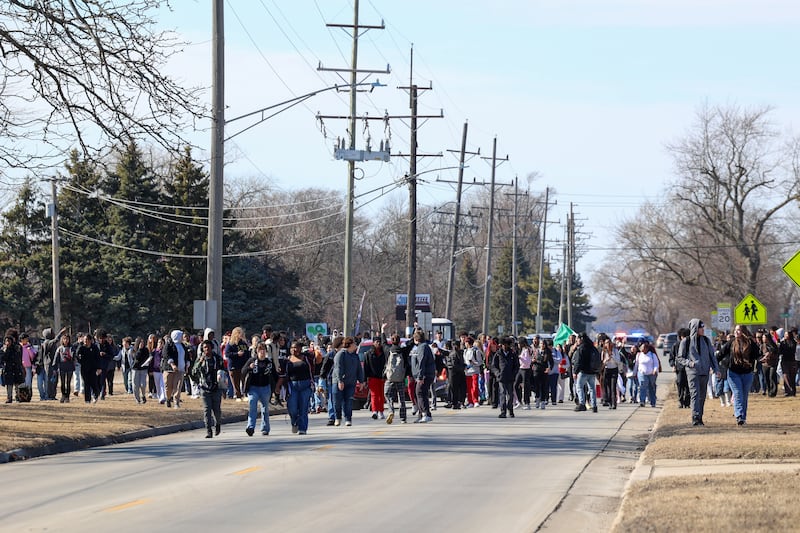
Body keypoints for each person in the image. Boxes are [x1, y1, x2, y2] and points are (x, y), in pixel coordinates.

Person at [676, 319, 720, 426]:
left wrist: (716, 369)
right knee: (695, 394)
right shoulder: (686, 341)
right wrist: (689, 363)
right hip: (692, 372)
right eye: (701, 328)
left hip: (705, 372)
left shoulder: (706, 340)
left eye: (703, 327)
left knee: (702, 395)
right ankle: (695, 417)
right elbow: (680, 358)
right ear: (695, 328)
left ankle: (700, 417)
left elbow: (712, 356)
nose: (702, 330)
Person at [723, 325, 759, 425]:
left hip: (747, 373)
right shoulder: (731, 342)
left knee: (744, 395)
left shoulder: (750, 343)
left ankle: (743, 417)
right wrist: (713, 365)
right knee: (738, 393)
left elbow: (758, 354)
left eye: (738, 330)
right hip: (733, 373)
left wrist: (763, 358)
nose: (736, 332)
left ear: (743, 331)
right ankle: (739, 416)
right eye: (735, 330)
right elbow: (721, 354)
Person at [190, 339, 224, 438]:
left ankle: (217, 424)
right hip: (204, 388)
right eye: (204, 347)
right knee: (207, 410)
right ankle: (208, 431)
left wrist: (222, 384)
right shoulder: (200, 359)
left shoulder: (217, 358)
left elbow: (223, 371)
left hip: (216, 388)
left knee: (216, 410)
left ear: (211, 348)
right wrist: (200, 363)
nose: (207, 349)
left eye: (208, 347)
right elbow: (193, 372)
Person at [242, 342, 274, 436]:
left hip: (265, 387)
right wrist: (249, 367)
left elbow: (273, 376)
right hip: (253, 388)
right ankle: (250, 427)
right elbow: (243, 371)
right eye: (260, 350)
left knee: (265, 409)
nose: (262, 352)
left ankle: (265, 428)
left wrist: (275, 389)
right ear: (257, 351)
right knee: (252, 407)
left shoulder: (269, 362)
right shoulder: (252, 361)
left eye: (263, 350)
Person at [332, 336, 363, 426]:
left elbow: (359, 369)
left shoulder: (355, 356)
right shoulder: (341, 354)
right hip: (338, 382)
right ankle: (337, 417)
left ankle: (348, 419)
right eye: (354, 343)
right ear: (349, 345)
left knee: (348, 401)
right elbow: (338, 368)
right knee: (337, 401)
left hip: (351, 382)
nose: (355, 345)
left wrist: (361, 381)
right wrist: (340, 380)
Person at [285, 341, 314, 435]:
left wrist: (313, 383)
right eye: (292, 348)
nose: (294, 349)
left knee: (303, 408)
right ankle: (294, 422)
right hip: (292, 386)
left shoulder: (306, 358)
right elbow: (285, 375)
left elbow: (312, 370)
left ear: (300, 349)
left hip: (305, 385)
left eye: (296, 347)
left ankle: (302, 428)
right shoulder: (287, 360)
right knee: (292, 408)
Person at [410, 330, 436, 423]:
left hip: (425, 375)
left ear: (416, 339)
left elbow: (421, 362)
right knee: (420, 393)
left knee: (420, 393)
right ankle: (421, 414)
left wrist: (420, 376)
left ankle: (426, 413)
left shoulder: (422, 347)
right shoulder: (422, 347)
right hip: (425, 374)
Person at [491, 337, 520, 418]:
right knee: (502, 394)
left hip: (510, 377)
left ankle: (510, 410)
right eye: (503, 344)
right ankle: (503, 411)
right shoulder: (498, 354)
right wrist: (498, 373)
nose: (504, 346)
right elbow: (493, 366)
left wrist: (514, 374)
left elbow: (516, 366)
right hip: (501, 378)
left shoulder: (513, 354)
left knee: (510, 395)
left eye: (506, 344)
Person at [572, 333, 600, 413]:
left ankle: (582, 403)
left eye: (578, 339)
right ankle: (594, 406)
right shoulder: (592, 347)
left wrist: (575, 372)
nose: (577, 340)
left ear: (581, 339)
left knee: (579, 387)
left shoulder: (581, 348)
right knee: (592, 389)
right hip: (592, 371)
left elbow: (578, 361)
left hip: (583, 371)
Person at [383, 334, 407, 424]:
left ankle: (391, 411)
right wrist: (415, 330)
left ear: (391, 341)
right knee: (401, 398)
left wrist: (382, 332)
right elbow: (411, 343)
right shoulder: (403, 351)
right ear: (399, 341)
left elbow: (383, 343)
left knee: (387, 394)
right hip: (400, 378)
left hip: (390, 378)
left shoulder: (388, 350)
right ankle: (403, 418)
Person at [162, 330, 187, 408]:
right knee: (168, 387)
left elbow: (186, 357)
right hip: (169, 369)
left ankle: (176, 402)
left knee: (178, 386)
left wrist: (187, 365)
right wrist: (172, 364)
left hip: (180, 370)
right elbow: (166, 355)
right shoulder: (169, 344)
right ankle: (168, 399)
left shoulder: (183, 346)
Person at [364, 335, 387, 419]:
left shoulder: (383, 353)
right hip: (372, 377)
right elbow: (366, 367)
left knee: (381, 395)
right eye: (376, 342)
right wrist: (364, 379)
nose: (378, 343)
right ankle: (374, 411)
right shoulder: (369, 353)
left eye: (379, 342)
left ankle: (381, 411)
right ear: (373, 343)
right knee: (374, 395)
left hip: (381, 377)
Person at [224, 326, 249, 401]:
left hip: (242, 365)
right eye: (239, 333)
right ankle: (238, 395)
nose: (241, 335)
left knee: (244, 380)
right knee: (235, 382)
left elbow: (247, 353)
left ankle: (244, 394)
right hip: (233, 366)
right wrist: (236, 354)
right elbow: (227, 354)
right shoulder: (230, 344)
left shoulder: (243, 343)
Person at [76, 333, 102, 403]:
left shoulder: (94, 347)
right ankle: (87, 399)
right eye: (84, 340)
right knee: (86, 383)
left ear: (90, 340)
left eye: (87, 339)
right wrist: (80, 344)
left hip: (93, 368)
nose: (85, 341)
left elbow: (98, 358)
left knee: (93, 383)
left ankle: (95, 395)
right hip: (84, 368)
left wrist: (99, 368)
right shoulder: (82, 347)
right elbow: (77, 354)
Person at [668, 328, 691, 409]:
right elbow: (671, 357)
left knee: (689, 386)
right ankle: (681, 402)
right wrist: (673, 365)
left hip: (689, 368)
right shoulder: (676, 345)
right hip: (680, 368)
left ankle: (687, 402)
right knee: (680, 384)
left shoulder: (691, 345)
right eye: (682, 336)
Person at [1, 331, 24, 403]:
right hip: (8, 368)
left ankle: (18, 397)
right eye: (6, 340)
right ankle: (9, 397)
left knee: (17, 383)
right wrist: (6, 349)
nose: (8, 342)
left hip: (16, 367)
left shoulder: (17, 347)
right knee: (9, 384)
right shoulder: (3, 349)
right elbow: (2, 359)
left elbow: (19, 357)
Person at [636, 342, 659, 408]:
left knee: (651, 388)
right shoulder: (639, 355)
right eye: (641, 348)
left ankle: (653, 402)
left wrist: (655, 370)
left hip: (651, 374)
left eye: (643, 348)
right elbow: (637, 365)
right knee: (642, 387)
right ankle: (642, 401)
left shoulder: (652, 355)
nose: (642, 349)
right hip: (642, 373)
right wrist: (635, 373)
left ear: (647, 348)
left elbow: (656, 364)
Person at [601, 338, 621, 409]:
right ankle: (609, 402)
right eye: (606, 343)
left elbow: (618, 361)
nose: (608, 344)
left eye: (609, 343)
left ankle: (614, 403)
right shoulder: (604, 352)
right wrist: (606, 360)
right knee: (608, 387)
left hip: (614, 370)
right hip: (607, 370)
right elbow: (602, 363)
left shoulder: (615, 351)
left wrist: (612, 357)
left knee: (613, 387)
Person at [463, 336, 483, 408]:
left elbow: (480, 362)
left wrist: (474, 362)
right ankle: (470, 401)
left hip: (474, 371)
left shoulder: (476, 351)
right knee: (469, 387)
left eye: (466, 342)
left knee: (474, 386)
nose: (465, 344)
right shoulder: (465, 351)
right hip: (467, 371)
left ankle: (475, 401)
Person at [55, 333, 75, 402]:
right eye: (64, 339)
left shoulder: (72, 347)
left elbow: (74, 357)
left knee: (68, 382)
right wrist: (55, 367)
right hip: (62, 367)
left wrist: (70, 356)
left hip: (70, 366)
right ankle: (63, 395)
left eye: (67, 339)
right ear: (62, 340)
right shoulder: (60, 348)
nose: (66, 340)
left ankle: (67, 397)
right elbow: (56, 359)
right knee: (62, 382)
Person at [758, 331, 779, 397]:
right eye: (763, 337)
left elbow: (777, 353)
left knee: (772, 376)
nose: (764, 339)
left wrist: (770, 355)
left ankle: (774, 391)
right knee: (766, 378)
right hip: (765, 364)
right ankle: (769, 391)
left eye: (765, 337)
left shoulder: (773, 345)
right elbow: (759, 355)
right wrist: (762, 359)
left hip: (773, 363)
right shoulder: (762, 346)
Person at [514, 337, 533, 410]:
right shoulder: (522, 350)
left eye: (519, 343)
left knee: (526, 387)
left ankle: (527, 403)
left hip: (526, 369)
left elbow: (527, 361)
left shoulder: (527, 350)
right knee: (516, 384)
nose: (518, 345)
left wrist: (520, 357)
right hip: (521, 368)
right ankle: (519, 401)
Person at [131, 337, 151, 404]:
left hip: (143, 369)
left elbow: (147, 357)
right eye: (140, 342)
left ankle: (143, 395)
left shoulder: (146, 350)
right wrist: (139, 349)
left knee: (143, 384)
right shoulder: (133, 350)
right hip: (135, 369)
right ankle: (137, 399)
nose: (142, 344)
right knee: (135, 385)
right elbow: (136, 357)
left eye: (142, 342)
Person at [778, 329, 797, 397]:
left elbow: (792, 351)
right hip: (784, 361)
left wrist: (784, 350)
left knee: (792, 377)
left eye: (787, 334)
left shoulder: (793, 342)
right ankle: (788, 391)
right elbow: (780, 352)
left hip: (792, 361)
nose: (786, 335)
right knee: (786, 376)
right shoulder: (782, 343)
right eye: (785, 334)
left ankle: (793, 391)